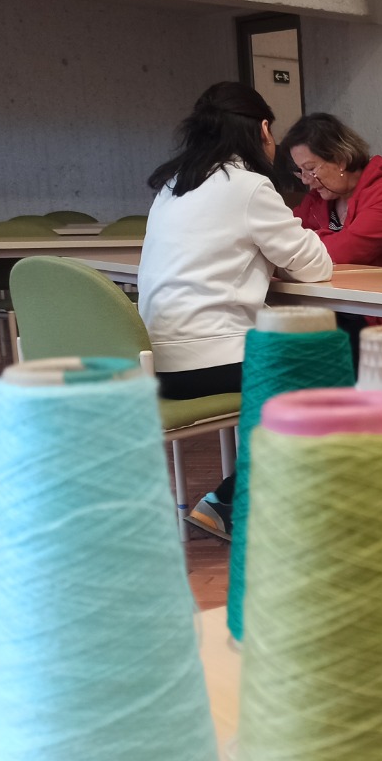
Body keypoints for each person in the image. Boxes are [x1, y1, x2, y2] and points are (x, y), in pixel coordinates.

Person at [139, 82, 332, 537]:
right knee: (322, 370)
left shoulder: (171, 187)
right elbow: (316, 265)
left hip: (156, 361)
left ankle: (248, 498)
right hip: (210, 360)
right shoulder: (248, 186)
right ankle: (242, 502)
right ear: (264, 129)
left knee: (288, 365)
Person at [284, 113, 382, 267]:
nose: (304, 179)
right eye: (300, 171)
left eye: (310, 169)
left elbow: (347, 250)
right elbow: (283, 237)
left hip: (380, 289)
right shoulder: (318, 197)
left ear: (341, 159)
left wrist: (304, 240)